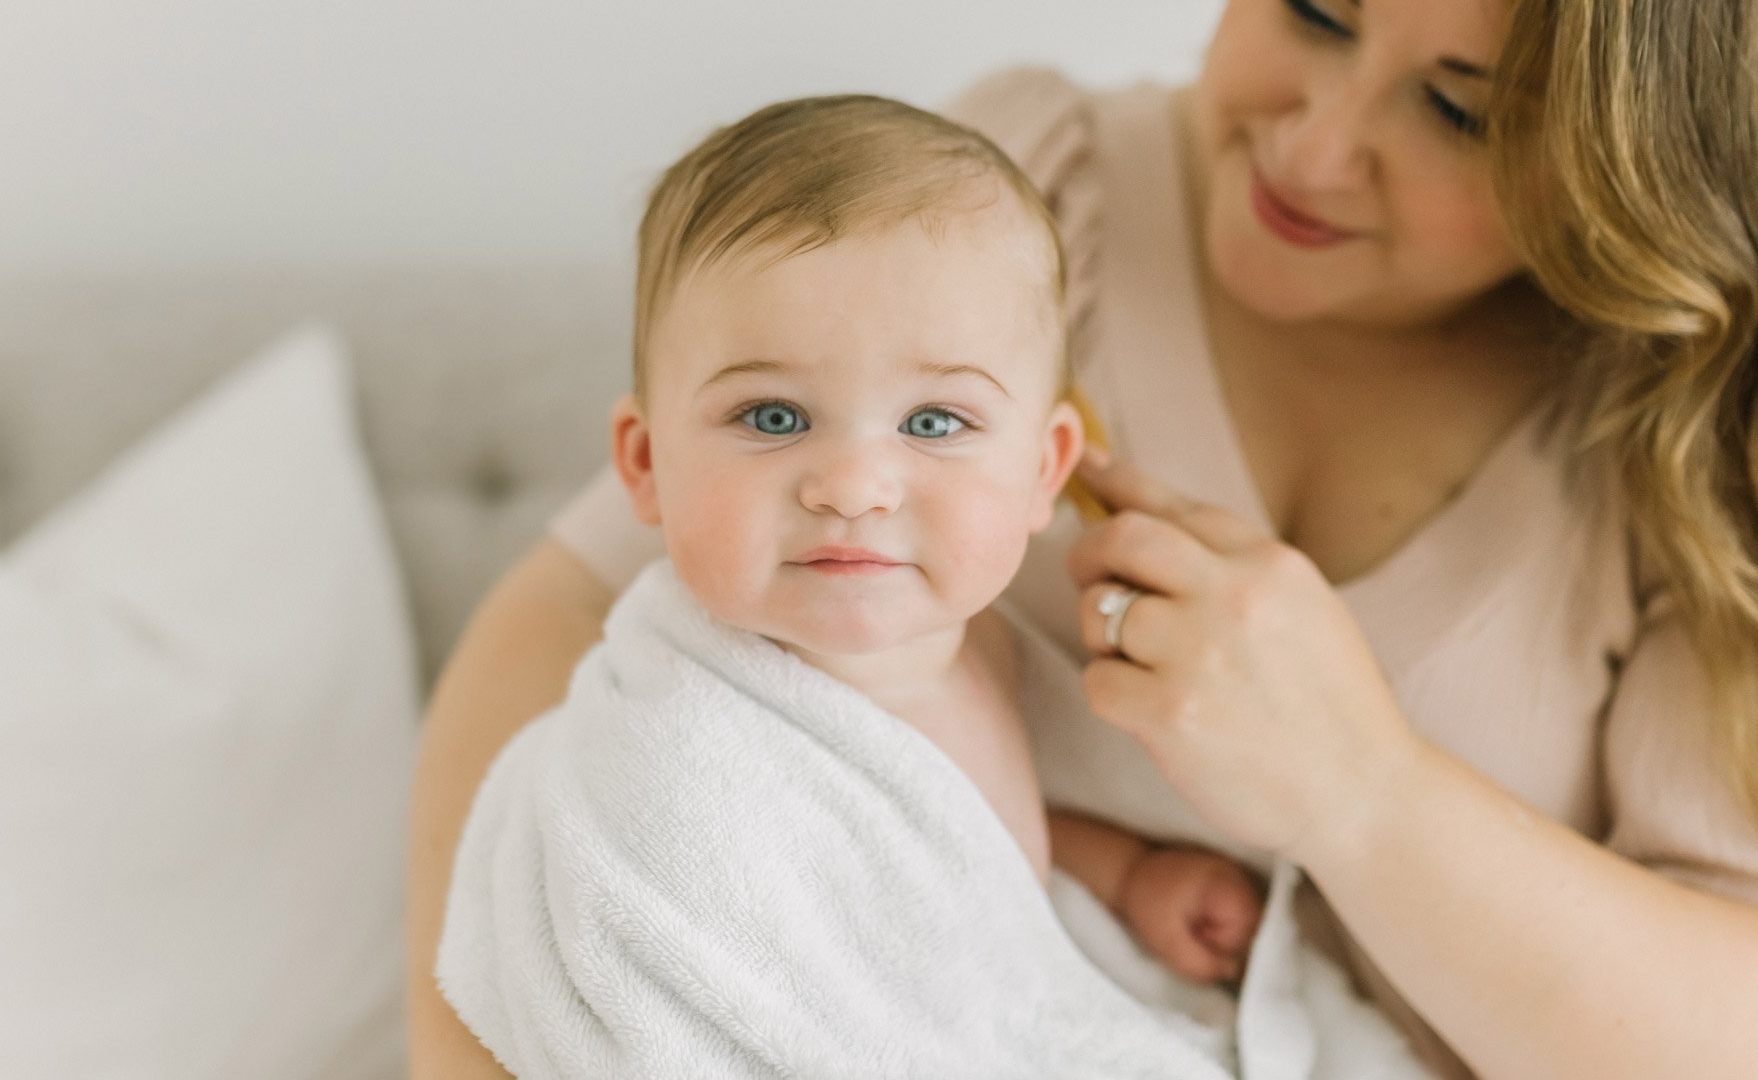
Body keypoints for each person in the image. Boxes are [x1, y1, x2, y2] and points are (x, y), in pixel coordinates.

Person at [408, 0, 1758, 1075]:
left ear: (1649, 163)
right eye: (1310, 1)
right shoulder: (1021, 191)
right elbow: (581, 612)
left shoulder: (1718, 422)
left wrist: (1365, 794)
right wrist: (482, 1037)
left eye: (1462, 109)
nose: (1313, 149)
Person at [431, 94, 1264, 1076]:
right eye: (775, 417)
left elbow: (958, 848)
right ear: (646, 463)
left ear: (1043, 470)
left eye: (933, 423)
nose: (854, 487)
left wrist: (1126, 875)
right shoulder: (672, 761)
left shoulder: (976, 644)